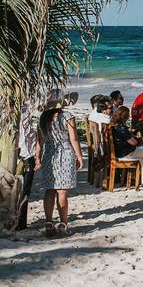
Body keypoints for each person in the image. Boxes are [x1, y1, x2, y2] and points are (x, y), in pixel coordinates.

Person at [35, 90, 83, 237]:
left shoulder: (43, 118)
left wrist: (37, 156)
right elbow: (73, 138)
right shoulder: (67, 116)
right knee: (62, 191)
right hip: (66, 153)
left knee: (50, 190)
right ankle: (63, 224)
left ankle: (49, 223)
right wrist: (79, 156)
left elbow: (40, 141)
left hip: (49, 155)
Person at [110, 106, 143, 186]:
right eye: (128, 115)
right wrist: (139, 139)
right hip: (126, 154)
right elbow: (133, 143)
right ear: (124, 117)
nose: (129, 116)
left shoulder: (113, 126)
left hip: (119, 152)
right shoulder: (122, 128)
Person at [16, 102, 36, 230]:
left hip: (27, 154)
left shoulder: (30, 108)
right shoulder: (29, 108)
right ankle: (19, 223)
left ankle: (21, 223)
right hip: (20, 153)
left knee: (25, 191)